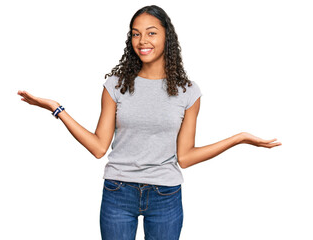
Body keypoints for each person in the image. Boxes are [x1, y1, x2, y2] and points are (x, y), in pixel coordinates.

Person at [17, 5, 282, 240]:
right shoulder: (116, 86)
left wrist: (238, 138)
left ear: (168, 36)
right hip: (117, 191)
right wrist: (56, 109)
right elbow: (99, 147)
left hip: (165, 195)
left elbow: (186, 157)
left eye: (151, 32)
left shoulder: (188, 92)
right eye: (136, 33)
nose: (142, 40)